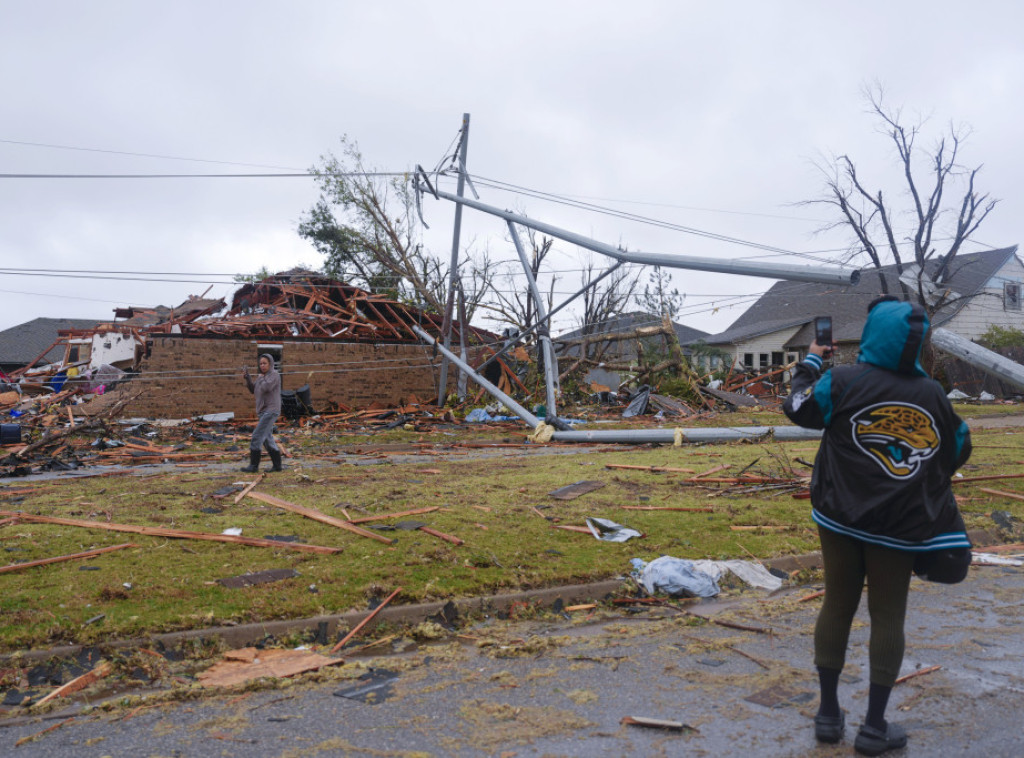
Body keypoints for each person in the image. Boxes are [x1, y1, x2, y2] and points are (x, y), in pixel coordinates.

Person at [783, 297, 972, 756]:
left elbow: (796, 406)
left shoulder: (843, 381)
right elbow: (959, 447)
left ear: (871, 335)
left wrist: (812, 361)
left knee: (837, 604)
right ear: (918, 343)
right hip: (898, 525)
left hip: (839, 517)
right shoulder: (932, 395)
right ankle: (874, 727)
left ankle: (828, 715)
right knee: (889, 614)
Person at [240, 353, 283, 473]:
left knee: (257, 436)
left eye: (265, 363)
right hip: (263, 411)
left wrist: (262, 377)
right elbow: (253, 390)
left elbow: (266, 388)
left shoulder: (274, 375)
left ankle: (253, 466)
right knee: (267, 439)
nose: (262, 366)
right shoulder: (262, 377)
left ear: (270, 364)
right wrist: (248, 378)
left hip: (271, 410)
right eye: (261, 364)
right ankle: (277, 466)